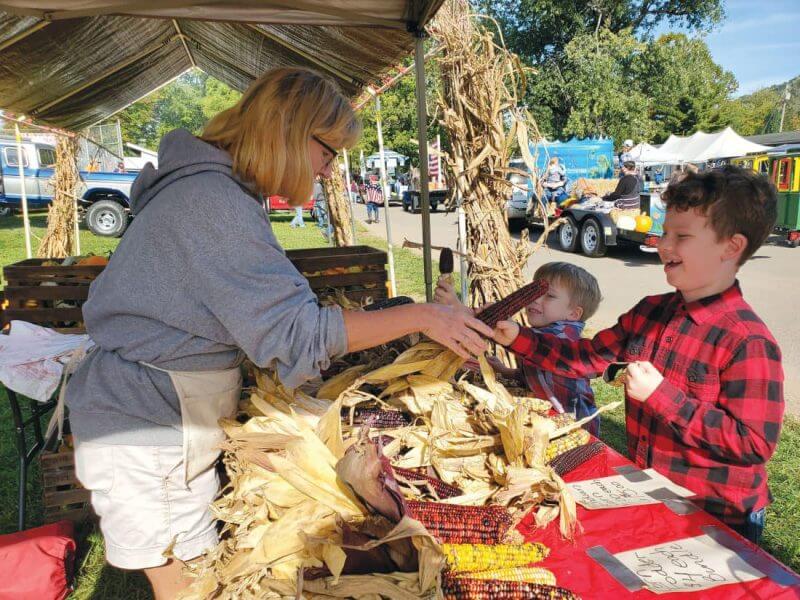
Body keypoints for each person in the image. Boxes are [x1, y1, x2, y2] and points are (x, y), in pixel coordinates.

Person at [63, 67, 493, 599]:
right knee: (187, 585)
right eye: (329, 152)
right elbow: (297, 333)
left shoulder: (214, 192)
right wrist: (425, 316)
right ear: (289, 132)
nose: (330, 171)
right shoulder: (211, 204)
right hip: (145, 428)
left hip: (162, 412)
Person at [492, 165, 783, 543]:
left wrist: (662, 397)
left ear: (732, 247)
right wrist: (517, 337)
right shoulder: (650, 312)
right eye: (665, 233)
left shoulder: (747, 342)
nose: (664, 246)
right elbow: (585, 357)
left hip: (717, 513)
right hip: (654, 489)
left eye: (682, 236)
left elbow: (752, 442)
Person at [436, 261, 603, 435]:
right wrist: (506, 371)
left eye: (550, 296)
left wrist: (459, 308)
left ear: (573, 314)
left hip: (577, 427)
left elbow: (542, 347)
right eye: (535, 291)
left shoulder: (564, 336)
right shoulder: (541, 333)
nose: (535, 299)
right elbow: (539, 374)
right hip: (547, 422)